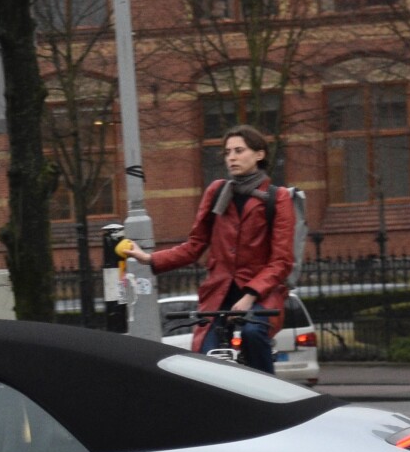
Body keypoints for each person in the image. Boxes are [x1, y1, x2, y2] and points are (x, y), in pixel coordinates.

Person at [121, 125, 294, 374]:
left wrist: (249, 296)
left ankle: (269, 393)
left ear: (259, 155)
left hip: (261, 294)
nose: (231, 157)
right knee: (205, 356)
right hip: (219, 292)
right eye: (227, 152)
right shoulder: (216, 192)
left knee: (253, 333)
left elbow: (281, 261)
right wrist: (149, 258)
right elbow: (194, 246)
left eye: (239, 151)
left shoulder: (277, 198)